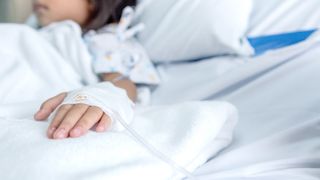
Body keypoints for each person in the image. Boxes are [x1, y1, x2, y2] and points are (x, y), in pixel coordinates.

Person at [32, 0, 159, 140]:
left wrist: (103, 96)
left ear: (92, 2)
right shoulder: (38, 32)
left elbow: (121, 80)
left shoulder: (105, 40)